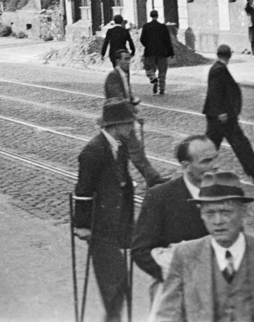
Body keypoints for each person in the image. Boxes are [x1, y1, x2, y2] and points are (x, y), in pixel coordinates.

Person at [153, 170, 254, 322]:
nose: (218, 221)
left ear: (244, 211)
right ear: (201, 215)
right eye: (210, 213)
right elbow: (167, 314)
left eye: (226, 212)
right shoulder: (185, 254)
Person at [72, 98, 137, 322]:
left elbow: (122, 178)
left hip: (117, 220)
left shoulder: (121, 145)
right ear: (115, 125)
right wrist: (82, 225)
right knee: (115, 279)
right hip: (98, 225)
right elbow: (82, 191)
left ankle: (114, 317)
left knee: (117, 280)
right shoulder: (93, 152)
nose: (132, 127)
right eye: (129, 123)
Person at [132, 135, 216, 303]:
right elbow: (140, 251)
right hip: (175, 294)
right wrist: (176, 275)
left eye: (215, 158)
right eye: (206, 161)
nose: (214, 166)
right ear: (186, 166)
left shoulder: (225, 190)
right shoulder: (160, 197)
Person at [203, 44, 254, 181]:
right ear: (229, 55)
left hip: (221, 115)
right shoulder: (219, 69)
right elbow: (215, 93)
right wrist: (221, 112)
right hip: (221, 116)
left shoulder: (218, 68)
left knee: (232, 143)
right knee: (222, 144)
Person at [104, 49, 167, 187]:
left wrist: (133, 100)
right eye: (125, 59)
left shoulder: (123, 75)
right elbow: (118, 99)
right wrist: (134, 112)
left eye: (129, 59)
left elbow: (127, 96)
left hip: (123, 121)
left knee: (127, 154)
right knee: (132, 152)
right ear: (118, 61)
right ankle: (150, 178)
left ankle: (135, 179)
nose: (128, 62)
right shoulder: (113, 77)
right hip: (117, 123)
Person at [139, 10, 174, 96]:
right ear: (157, 16)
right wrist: (170, 52)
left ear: (150, 16)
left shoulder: (146, 26)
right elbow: (167, 41)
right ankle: (161, 89)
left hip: (149, 52)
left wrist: (147, 45)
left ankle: (153, 78)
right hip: (162, 52)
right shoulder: (163, 27)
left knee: (149, 67)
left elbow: (142, 39)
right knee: (162, 71)